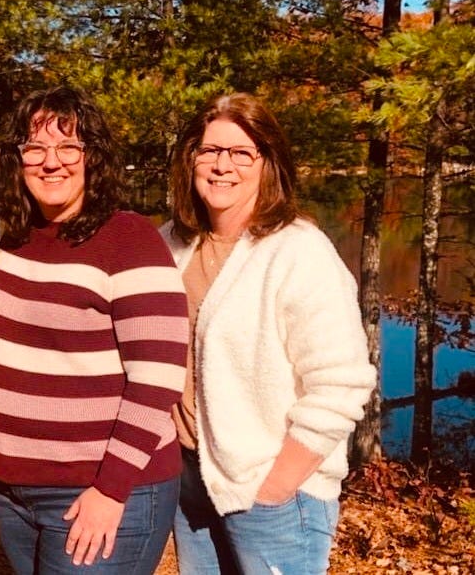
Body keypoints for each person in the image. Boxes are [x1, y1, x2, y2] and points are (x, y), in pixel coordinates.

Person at [0, 86, 189, 575]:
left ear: (93, 157)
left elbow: (156, 381)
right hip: (9, 490)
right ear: (18, 159)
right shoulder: (15, 238)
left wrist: (111, 489)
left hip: (100, 491)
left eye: (69, 147)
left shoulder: (128, 239)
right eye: (36, 148)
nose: (52, 162)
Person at [160, 92, 375, 574]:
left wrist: (277, 483)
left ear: (267, 164)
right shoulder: (172, 242)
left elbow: (342, 383)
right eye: (210, 150)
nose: (222, 166)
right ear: (191, 157)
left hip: (271, 489)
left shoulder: (298, 251)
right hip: (191, 480)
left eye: (241, 153)